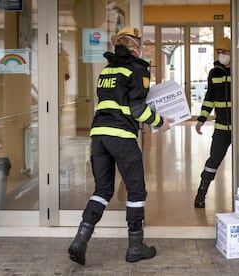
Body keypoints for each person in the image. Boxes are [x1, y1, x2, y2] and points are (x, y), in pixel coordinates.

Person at [68, 26, 173, 265]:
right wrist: (160, 122)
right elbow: (136, 107)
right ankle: (135, 246)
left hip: (98, 136)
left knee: (102, 190)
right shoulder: (136, 69)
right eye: (140, 44)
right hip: (121, 137)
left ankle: (80, 240)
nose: (141, 48)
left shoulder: (107, 70)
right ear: (135, 47)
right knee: (136, 191)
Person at [194, 37, 232, 208]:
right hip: (222, 127)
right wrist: (201, 119)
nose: (221, 55)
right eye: (219, 52)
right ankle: (201, 194)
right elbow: (210, 98)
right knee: (214, 160)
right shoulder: (214, 72)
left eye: (224, 52)